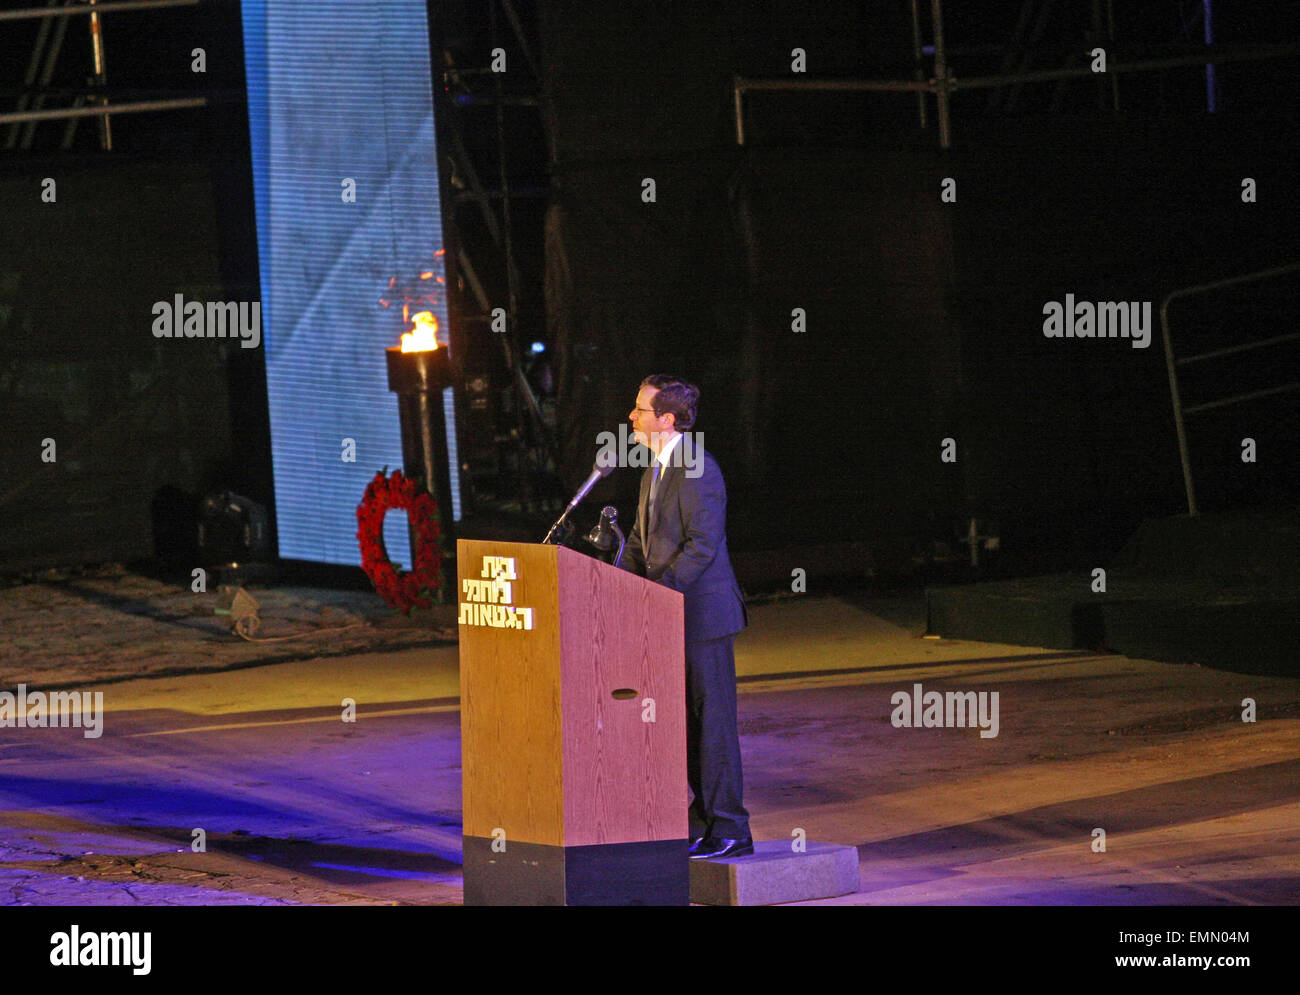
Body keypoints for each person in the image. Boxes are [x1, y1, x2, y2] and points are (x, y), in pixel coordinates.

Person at [620, 374, 753, 860]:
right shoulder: (652, 469)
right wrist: (616, 581)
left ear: (667, 419)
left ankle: (732, 828)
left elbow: (702, 545)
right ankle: (702, 824)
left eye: (639, 410)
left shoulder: (697, 467)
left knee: (713, 725)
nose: (631, 418)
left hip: (703, 617)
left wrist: (659, 594)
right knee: (684, 728)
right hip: (668, 616)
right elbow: (640, 542)